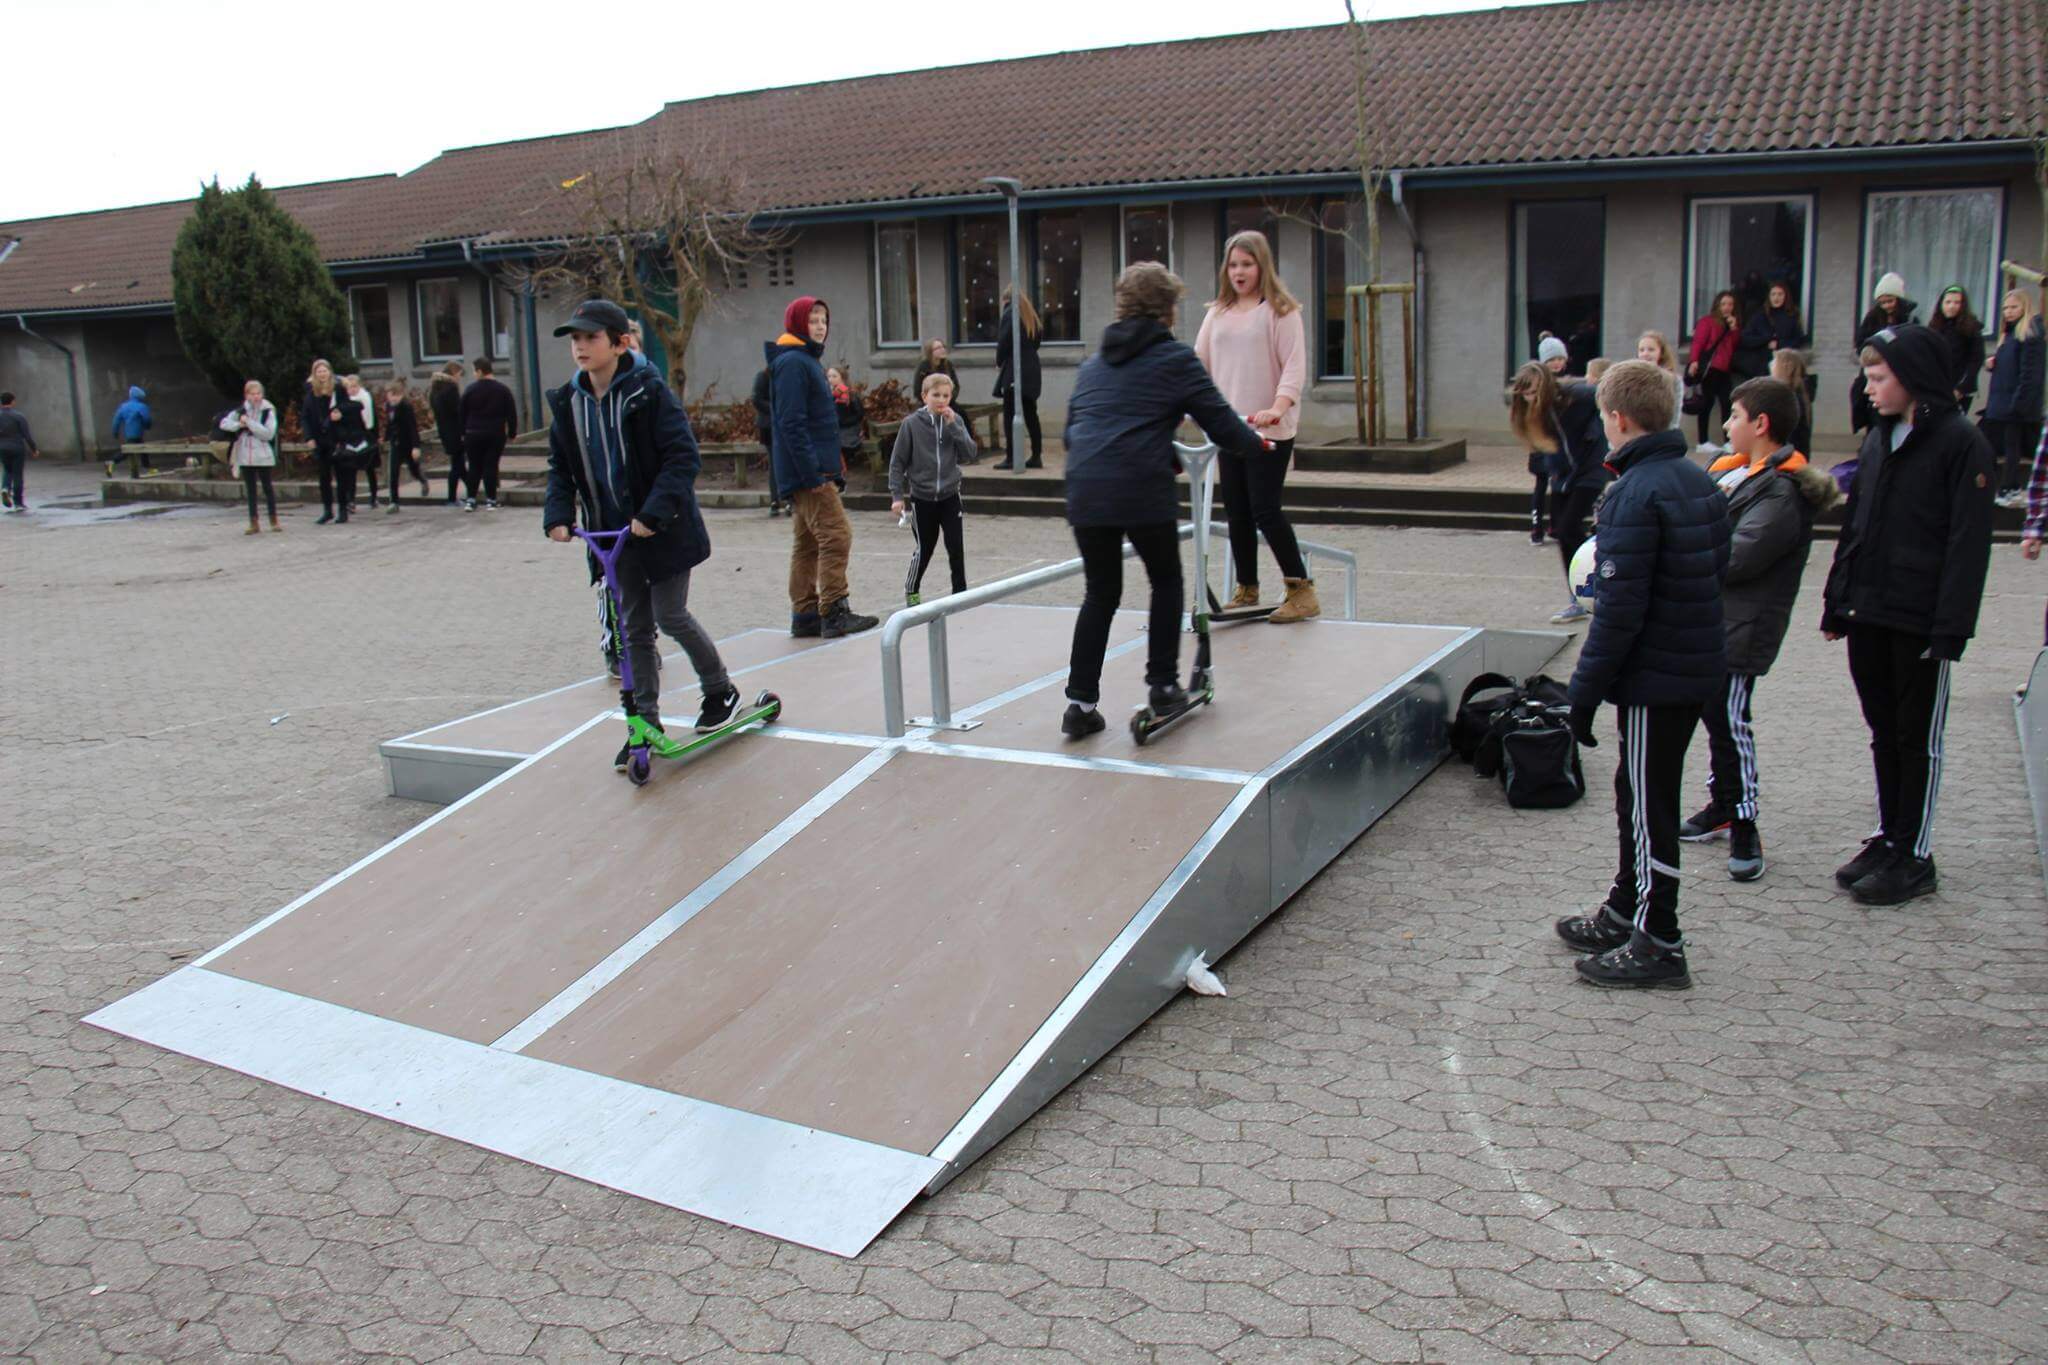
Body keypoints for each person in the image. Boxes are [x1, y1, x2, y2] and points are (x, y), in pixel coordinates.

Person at [1553, 359, 1729, 990]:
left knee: (1651, 805)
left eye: (1604, 418)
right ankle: (1627, 905)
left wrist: (1582, 695)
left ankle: (1660, 939)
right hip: (1687, 665)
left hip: (1659, 675)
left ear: (1617, 419)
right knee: (1636, 793)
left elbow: (1618, 611)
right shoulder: (1698, 479)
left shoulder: (1635, 492)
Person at [1820, 323, 1995, 905]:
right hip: (1867, 610)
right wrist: (1836, 600)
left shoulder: (1961, 442)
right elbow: (1856, 526)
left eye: (1878, 377)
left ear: (1915, 379)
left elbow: (1968, 544)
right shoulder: (1877, 438)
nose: (1868, 389)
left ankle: (1915, 854)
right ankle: (1889, 836)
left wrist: (1950, 628)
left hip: (1919, 618)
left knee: (1914, 736)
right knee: (1883, 734)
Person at [1058, 262, 1265, 739]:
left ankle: (1079, 704)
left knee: (1100, 593)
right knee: (1167, 580)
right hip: (1138, 487)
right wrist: (1258, 446)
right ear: (1168, 310)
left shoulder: (1093, 365)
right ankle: (1163, 686)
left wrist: (1153, 446)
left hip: (1086, 486)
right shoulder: (1175, 359)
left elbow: (1076, 433)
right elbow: (1221, 422)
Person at [542, 299, 739, 762]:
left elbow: (682, 457)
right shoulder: (569, 402)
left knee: (670, 614)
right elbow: (560, 468)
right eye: (575, 339)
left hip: (662, 529)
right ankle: (643, 723)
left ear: (620, 342)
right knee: (634, 629)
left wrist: (651, 514)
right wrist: (557, 514)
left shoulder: (649, 392)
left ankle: (720, 690)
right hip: (613, 537)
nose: (580, 347)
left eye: (590, 337)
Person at [1681, 378, 1841, 879]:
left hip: (1741, 629)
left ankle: (1744, 819)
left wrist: (1681, 547)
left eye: (1734, 416)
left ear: (1761, 424)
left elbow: (1738, 556)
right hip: (1710, 622)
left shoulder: (1781, 490)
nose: (1726, 425)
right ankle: (1723, 802)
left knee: (1731, 724)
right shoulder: (1730, 471)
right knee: (1714, 720)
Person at [1195, 228, 1318, 623]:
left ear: (1262, 265)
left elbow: (1294, 368)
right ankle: (1246, 589)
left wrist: (1278, 408)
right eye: (1233, 265)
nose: (1239, 272)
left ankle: (1301, 591)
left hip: (1268, 429)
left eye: (1246, 264)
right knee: (1237, 512)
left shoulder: (1281, 311)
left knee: (1265, 509)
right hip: (1231, 427)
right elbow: (1198, 366)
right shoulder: (1217, 314)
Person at [768, 295, 879, 639]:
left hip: (811, 468)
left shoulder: (804, 360)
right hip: (808, 473)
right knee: (836, 534)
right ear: (798, 324)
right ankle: (834, 609)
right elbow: (791, 423)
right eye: (813, 320)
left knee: (807, 542)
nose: (820, 326)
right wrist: (813, 471)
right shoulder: (793, 363)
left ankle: (804, 614)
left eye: (823, 321)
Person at [1509, 362, 1603, 624]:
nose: (1531, 398)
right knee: (1562, 531)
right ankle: (1579, 598)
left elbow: (1606, 397)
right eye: (1526, 395)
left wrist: (1597, 434)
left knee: (1571, 527)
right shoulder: (1533, 413)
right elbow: (1551, 446)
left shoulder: (1576, 396)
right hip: (1564, 476)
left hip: (1590, 470)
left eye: (1535, 392)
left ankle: (1599, 580)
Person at [889, 371, 976, 605]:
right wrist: (897, 496)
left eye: (946, 395)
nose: (941, 400)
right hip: (923, 498)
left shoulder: (954, 420)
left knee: (955, 546)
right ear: (924, 396)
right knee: (925, 548)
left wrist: (954, 427)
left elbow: (970, 453)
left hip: (949, 496)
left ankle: (960, 593)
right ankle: (912, 590)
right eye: (936, 395)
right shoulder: (911, 425)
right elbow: (897, 462)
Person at [1982, 289, 2044, 506]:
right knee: (1990, 445)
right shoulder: (2007, 335)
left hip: (2015, 404)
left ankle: (2011, 488)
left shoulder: (2030, 334)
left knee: (2013, 449)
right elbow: (2009, 366)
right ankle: (1996, 487)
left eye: (2013, 307)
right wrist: (1993, 363)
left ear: (2024, 307)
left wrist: (2019, 403)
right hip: (2000, 402)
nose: (2008, 312)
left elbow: (2030, 374)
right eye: (2005, 308)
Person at [1851, 273, 1917, 433]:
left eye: (1890, 301)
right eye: (1882, 302)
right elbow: (1860, 342)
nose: (1887, 306)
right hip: (1874, 368)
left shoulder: (1909, 319)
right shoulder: (1872, 318)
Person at [218, 380, 282, 534]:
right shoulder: (240, 411)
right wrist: (239, 425)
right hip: (245, 453)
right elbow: (223, 423)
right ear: (246, 395)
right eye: (252, 394)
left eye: (258, 393)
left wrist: (250, 423)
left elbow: (268, 433)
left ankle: (273, 520)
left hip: (263, 453)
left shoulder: (268, 411)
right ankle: (253, 522)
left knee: (267, 487)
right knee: (251, 489)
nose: (256, 397)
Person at [1686, 290, 1742, 452]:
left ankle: (1728, 441)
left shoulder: (1732, 324)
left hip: (1724, 369)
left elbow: (1735, 344)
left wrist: (1734, 329)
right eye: (1723, 304)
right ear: (1717, 305)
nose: (1726, 307)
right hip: (1710, 368)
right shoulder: (1708, 322)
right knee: (1706, 403)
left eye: (1730, 304)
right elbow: (1698, 342)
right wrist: (1694, 361)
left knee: (1727, 403)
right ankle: (1702, 442)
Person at [994, 286, 1043, 469]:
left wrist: (999, 361)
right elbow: (1037, 342)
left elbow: (1004, 341)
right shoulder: (1031, 315)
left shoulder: (1010, 314)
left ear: (1005, 300)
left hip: (1015, 369)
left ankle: (1011, 457)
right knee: (1031, 414)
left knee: (1009, 414)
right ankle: (1036, 455)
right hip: (1032, 368)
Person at [459, 357, 518, 510]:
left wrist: (462, 432)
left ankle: (470, 499)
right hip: (495, 433)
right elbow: (511, 413)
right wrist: (512, 433)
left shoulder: (470, 390)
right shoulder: (502, 390)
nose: (473, 374)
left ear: (479, 371)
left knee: (474, 466)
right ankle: (491, 500)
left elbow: (462, 413)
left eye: (474, 371)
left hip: (473, 433)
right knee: (490, 465)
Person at [326, 373, 377, 523]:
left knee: (343, 480)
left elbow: (330, 428)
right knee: (352, 475)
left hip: (345, 446)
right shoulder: (356, 406)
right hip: (357, 444)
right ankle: (350, 503)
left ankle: (345, 508)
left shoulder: (338, 409)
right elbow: (362, 423)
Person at [1928, 285, 1987, 409]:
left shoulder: (1972, 328)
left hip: (1960, 390)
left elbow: (1976, 360)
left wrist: (1961, 389)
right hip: (1936, 389)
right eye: (1948, 302)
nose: (1951, 306)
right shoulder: (1934, 327)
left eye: (1956, 302)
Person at [1737, 280, 1807, 380]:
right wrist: (1766, 340)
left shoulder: (1792, 316)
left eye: (1780, 294)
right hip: (1760, 366)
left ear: (1786, 296)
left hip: (1783, 365)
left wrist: (1779, 344)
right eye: (1773, 294)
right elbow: (1745, 338)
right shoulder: (1760, 316)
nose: (1776, 298)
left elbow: (1798, 339)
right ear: (1769, 297)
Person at [380, 380, 429, 511]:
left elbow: (413, 427)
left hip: (407, 443)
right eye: (391, 395)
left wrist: (415, 446)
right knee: (393, 472)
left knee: (413, 468)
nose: (394, 398)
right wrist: (385, 438)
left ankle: (422, 479)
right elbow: (390, 425)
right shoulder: (389, 406)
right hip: (396, 444)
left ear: (402, 395)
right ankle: (394, 501)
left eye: (396, 395)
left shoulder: (406, 407)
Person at [304, 360, 339, 524]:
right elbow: (305, 417)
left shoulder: (337, 390)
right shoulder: (311, 394)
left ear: (329, 372)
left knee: (341, 474)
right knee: (324, 477)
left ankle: (344, 508)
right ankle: (327, 509)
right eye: (319, 371)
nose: (322, 374)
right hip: (320, 439)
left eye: (324, 371)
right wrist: (309, 437)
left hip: (336, 437)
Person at [428, 361, 466, 504]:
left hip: (444, 430)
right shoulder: (451, 389)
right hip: (454, 431)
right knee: (457, 465)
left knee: (459, 464)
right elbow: (458, 411)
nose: (459, 378)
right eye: (459, 375)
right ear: (454, 373)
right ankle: (452, 498)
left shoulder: (435, 388)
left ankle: (471, 493)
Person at [751, 362, 783, 517]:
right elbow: (756, 399)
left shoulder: (786, 376)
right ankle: (775, 500)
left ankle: (788, 499)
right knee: (774, 462)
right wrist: (776, 410)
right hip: (769, 425)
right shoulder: (763, 376)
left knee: (785, 462)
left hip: (785, 423)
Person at [1636, 331, 1684, 430]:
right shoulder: (1632, 378)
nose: (1645, 354)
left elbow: (1675, 411)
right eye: (1641, 350)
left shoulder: (1673, 380)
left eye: (1651, 350)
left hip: (1662, 432)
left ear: (1661, 352)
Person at [1769, 349, 1814, 455]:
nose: (1771, 365)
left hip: (1788, 456)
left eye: (1774, 361)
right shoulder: (1798, 393)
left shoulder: (1789, 398)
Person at [912, 339, 964, 428]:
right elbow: (917, 389)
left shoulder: (948, 365)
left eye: (943, 347)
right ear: (931, 352)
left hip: (948, 403)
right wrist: (931, 401)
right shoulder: (924, 367)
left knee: (961, 415)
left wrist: (948, 399)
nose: (942, 349)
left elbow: (956, 386)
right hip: (928, 404)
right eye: (938, 348)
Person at [0, 392, 36, 513]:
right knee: (17, 474)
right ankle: (18, 503)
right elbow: (27, 435)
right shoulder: (18, 416)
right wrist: (34, 449)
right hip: (17, 448)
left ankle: (5, 488)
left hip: (2, 447)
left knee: (7, 469)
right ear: (12, 401)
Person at [109, 385, 152, 478]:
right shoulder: (142, 406)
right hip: (137, 433)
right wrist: (147, 426)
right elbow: (147, 419)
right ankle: (112, 462)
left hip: (128, 433)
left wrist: (115, 432)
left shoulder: (123, 407)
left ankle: (147, 466)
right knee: (129, 451)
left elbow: (116, 421)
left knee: (141, 449)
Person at [827, 366, 865, 471]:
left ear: (842, 378)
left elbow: (859, 414)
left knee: (841, 441)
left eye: (834, 376)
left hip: (849, 428)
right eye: (829, 376)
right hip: (834, 426)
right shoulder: (828, 394)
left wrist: (843, 421)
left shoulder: (850, 394)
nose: (831, 379)